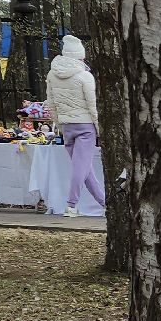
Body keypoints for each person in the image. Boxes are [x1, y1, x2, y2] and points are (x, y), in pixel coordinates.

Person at [45, 35, 105, 218]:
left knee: (84, 169)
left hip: (67, 125)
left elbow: (51, 103)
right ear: (80, 57)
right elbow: (92, 105)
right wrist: (99, 128)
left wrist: (58, 124)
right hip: (85, 126)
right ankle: (71, 204)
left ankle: (105, 202)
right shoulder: (85, 76)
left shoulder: (51, 75)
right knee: (81, 168)